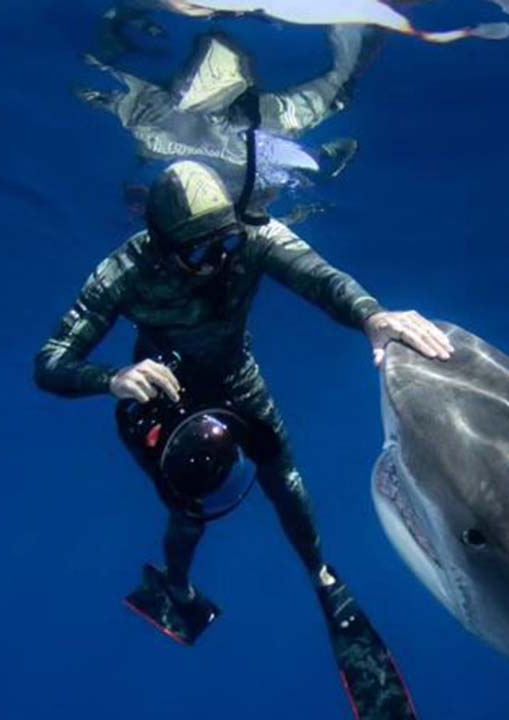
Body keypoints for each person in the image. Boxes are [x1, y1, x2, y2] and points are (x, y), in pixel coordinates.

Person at [34, 158, 451, 645]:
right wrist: (114, 378)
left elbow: (319, 278)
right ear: (163, 248)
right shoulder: (124, 271)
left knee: (284, 475)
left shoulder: (251, 236)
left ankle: (321, 575)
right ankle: (177, 585)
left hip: (236, 374)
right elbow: (50, 362)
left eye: (225, 243)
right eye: (198, 252)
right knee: (189, 507)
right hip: (168, 393)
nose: (217, 261)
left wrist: (371, 316)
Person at [78, 27, 376, 221]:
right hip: (273, 118)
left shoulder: (154, 130)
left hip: (242, 122)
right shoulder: (159, 133)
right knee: (339, 79)